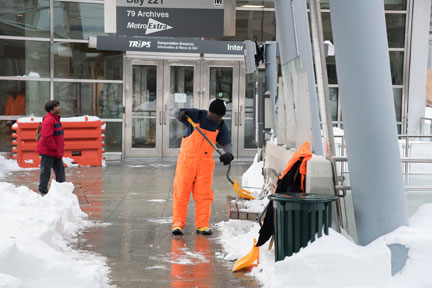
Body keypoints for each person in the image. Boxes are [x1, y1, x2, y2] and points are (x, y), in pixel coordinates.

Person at [171, 98, 234, 236]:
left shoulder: (220, 125)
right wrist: (180, 114)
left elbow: (226, 143)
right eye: (217, 115)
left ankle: (202, 225)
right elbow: (174, 112)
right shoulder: (196, 114)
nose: (219, 118)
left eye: (221, 116)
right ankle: (177, 224)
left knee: (204, 196)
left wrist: (228, 154)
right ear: (210, 112)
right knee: (181, 193)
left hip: (205, 164)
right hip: (186, 161)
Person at [36, 100, 65, 196]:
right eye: (56, 106)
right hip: (48, 151)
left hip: (55, 151)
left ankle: (62, 190)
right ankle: (43, 191)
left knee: (60, 170)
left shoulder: (55, 119)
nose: (59, 107)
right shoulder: (49, 120)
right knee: (45, 171)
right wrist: (55, 148)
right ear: (51, 109)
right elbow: (47, 137)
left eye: (58, 105)